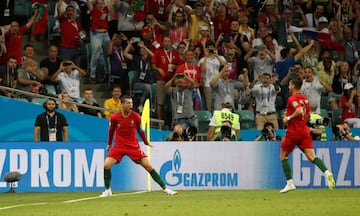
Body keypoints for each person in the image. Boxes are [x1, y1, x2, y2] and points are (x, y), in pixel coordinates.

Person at [100, 95, 178, 197]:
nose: (131, 105)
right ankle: (107, 190)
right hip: (119, 145)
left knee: (148, 166)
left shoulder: (136, 116)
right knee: (106, 165)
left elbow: (140, 131)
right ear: (122, 104)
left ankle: (166, 189)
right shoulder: (114, 117)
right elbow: (111, 131)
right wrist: (109, 143)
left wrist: (146, 142)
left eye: (131, 103)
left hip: (133, 146)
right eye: (128, 103)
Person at [280, 77, 335, 193]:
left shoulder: (292, 98)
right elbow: (308, 115)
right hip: (305, 131)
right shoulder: (305, 99)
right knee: (312, 157)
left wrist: (288, 118)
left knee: (283, 156)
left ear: (293, 86)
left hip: (294, 131)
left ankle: (290, 183)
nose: (289, 87)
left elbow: (299, 111)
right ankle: (327, 172)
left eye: (290, 85)